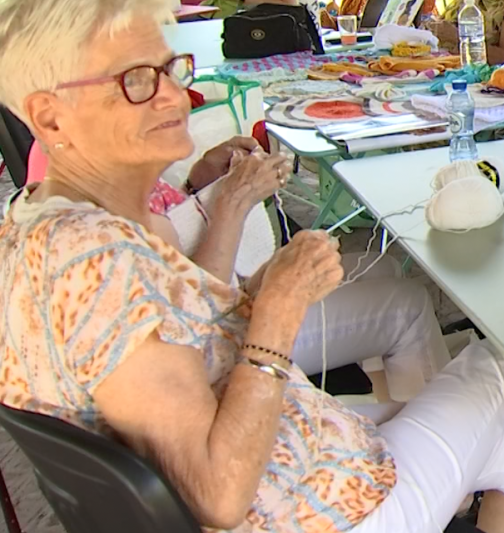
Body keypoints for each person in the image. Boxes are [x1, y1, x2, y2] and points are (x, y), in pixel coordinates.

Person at [0, 0, 504, 533]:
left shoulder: (44, 221)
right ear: (50, 118)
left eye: (171, 70)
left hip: (299, 462)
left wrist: (251, 289)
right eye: (137, 80)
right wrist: (278, 304)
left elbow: (179, 345)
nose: (173, 97)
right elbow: (218, 494)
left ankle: (453, 511)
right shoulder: (93, 259)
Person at [20, 135, 453, 403]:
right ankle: (439, 473)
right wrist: (233, 200)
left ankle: (390, 402)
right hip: (220, 342)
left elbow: (167, 235)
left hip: (226, 306)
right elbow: (192, 313)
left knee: (378, 268)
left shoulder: (89, 156)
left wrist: (197, 181)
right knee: (406, 303)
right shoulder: (91, 190)